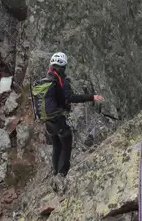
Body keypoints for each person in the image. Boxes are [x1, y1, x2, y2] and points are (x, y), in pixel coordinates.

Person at [35, 52, 103, 193]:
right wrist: (92, 97)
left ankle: (56, 173)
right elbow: (70, 97)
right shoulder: (61, 81)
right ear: (64, 66)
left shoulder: (46, 80)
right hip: (58, 119)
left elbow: (57, 99)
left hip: (48, 121)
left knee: (56, 147)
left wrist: (64, 105)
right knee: (66, 146)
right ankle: (62, 175)